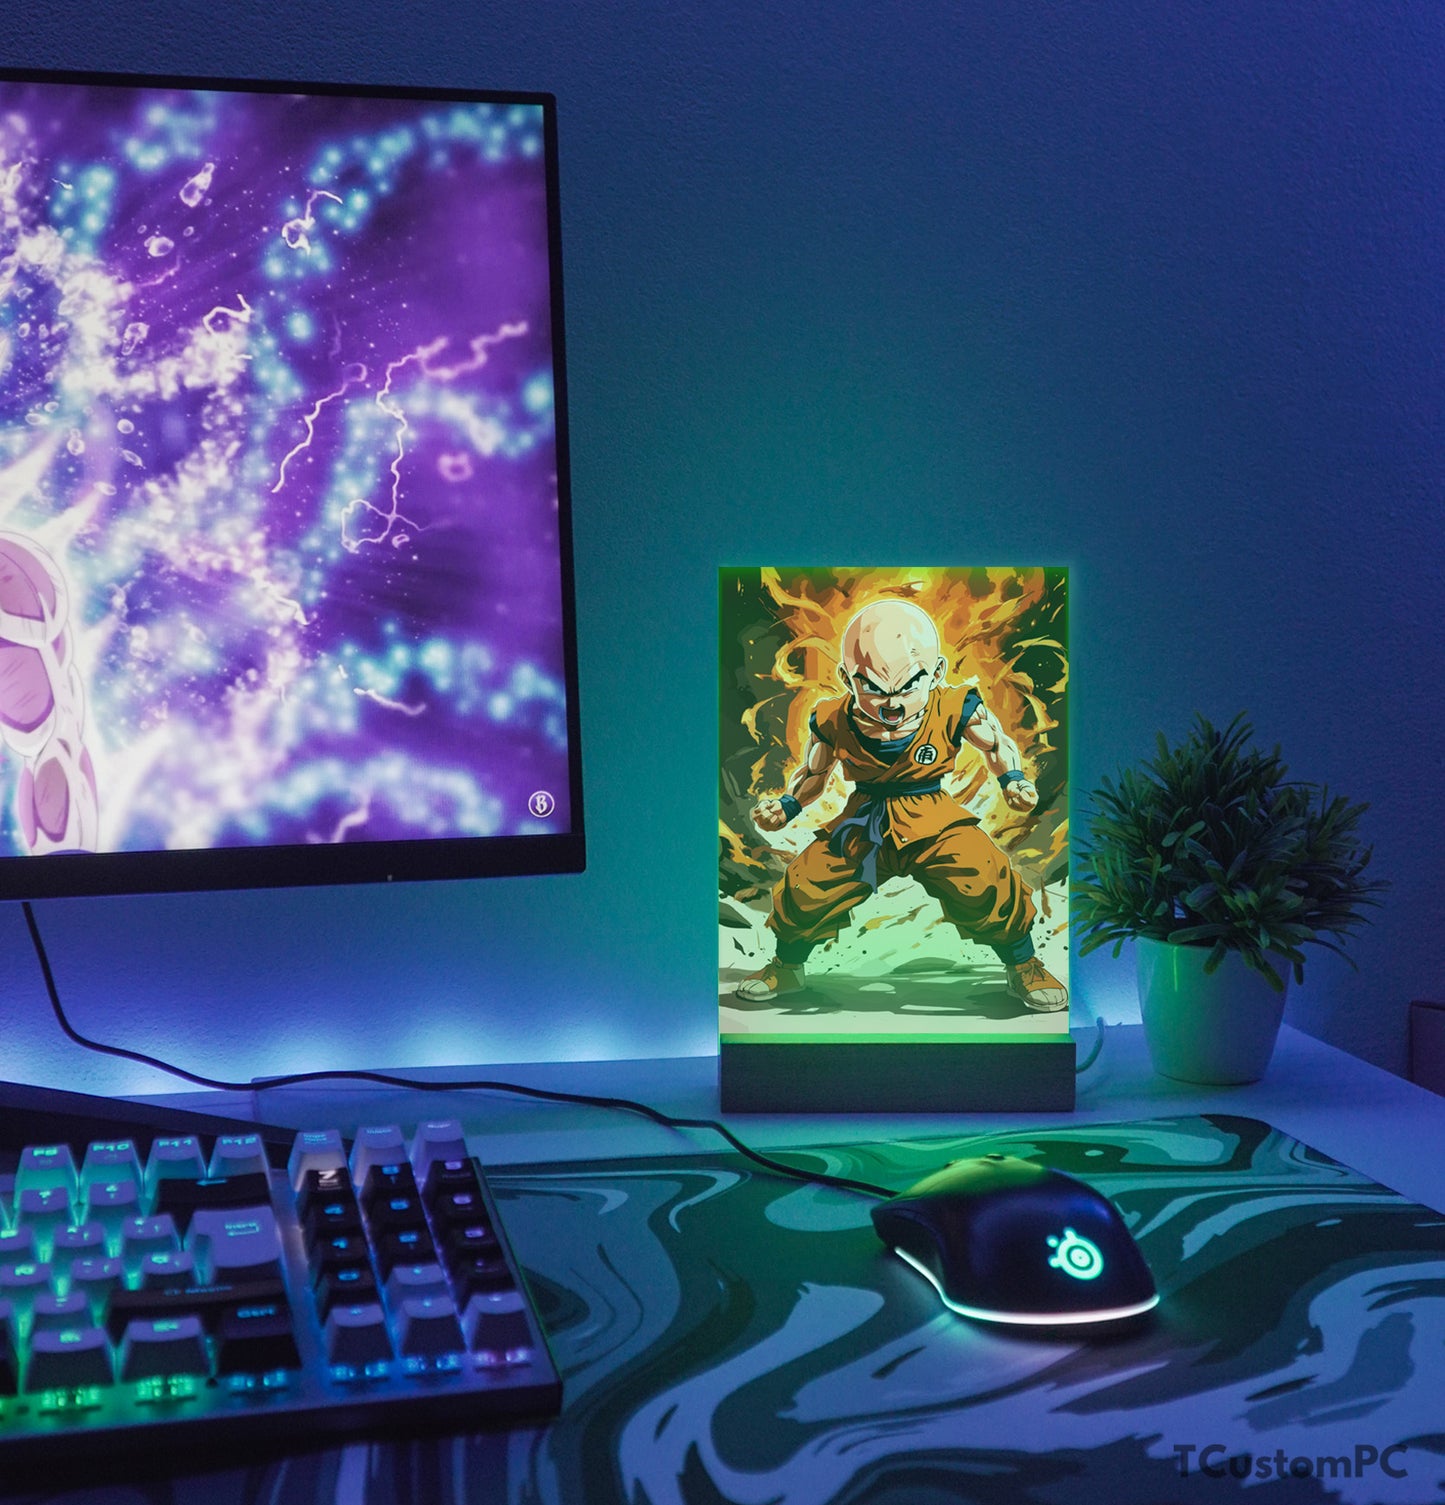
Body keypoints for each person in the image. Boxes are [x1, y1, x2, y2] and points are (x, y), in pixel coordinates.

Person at [737, 598, 1066, 1011]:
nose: (891, 704)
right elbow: (814, 773)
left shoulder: (954, 706)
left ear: (936, 674)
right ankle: (786, 967)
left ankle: (1024, 964)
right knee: (807, 885)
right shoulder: (832, 718)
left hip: (933, 816)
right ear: (846, 678)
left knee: (986, 877)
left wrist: (1012, 780)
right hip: (864, 820)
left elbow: (996, 744)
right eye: (873, 688)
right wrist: (787, 806)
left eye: (908, 686)